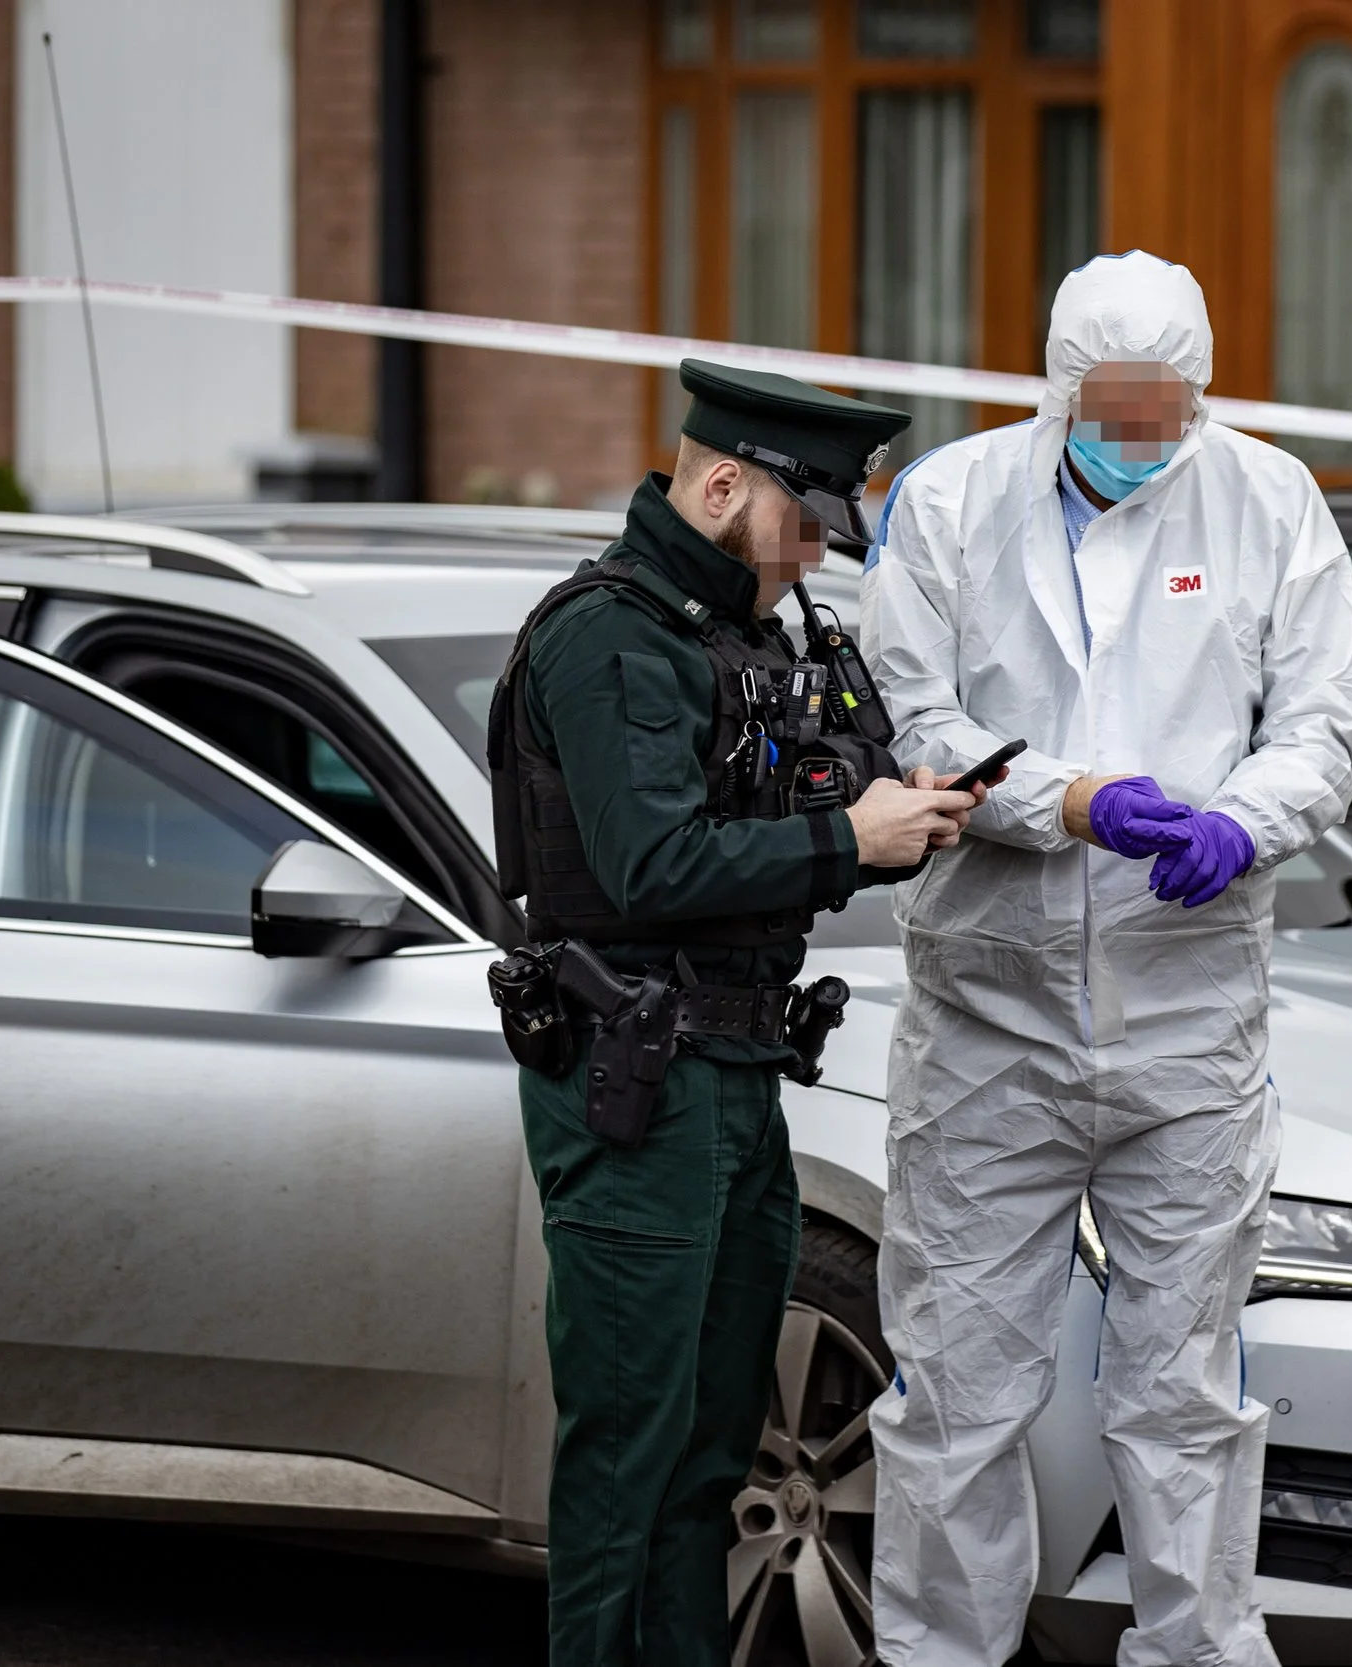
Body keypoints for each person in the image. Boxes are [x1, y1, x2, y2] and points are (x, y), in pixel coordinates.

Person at [861, 250, 1352, 1667]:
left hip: (1188, 1019)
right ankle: (943, 1652)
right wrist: (1070, 800)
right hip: (989, 1022)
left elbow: (1320, 722)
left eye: (1166, 411)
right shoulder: (954, 504)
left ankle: (1198, 1649)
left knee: (1186, 1393)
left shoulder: (1269, 499)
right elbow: (916, 722)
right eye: (1112, 408)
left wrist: (1244, 824)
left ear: (1201, 397)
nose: (1138, 437)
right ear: (1055, 388)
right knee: (959, 1389)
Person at [488, 360, 982, 1667]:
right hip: (634, 1076)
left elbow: (811, 788)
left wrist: (905, 806)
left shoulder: (755, 631)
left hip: (736, 1067)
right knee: (628, 1449)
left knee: (711, 1445)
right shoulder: (607, 635)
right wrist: (845, 835)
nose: (816, 553)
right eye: (805, 523)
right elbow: (649, 864)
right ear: (718, 485)